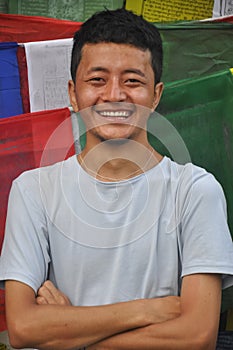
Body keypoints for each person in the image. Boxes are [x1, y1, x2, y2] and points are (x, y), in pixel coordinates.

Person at [1, 8, 233, 350]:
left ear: (155, 95)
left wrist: (68, 337)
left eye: (133, 81)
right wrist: (150, 310)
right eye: (97, 80)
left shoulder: (195, 190)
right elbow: (23, 328)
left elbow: (197, 336)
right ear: (73, 93)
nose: (114, 95)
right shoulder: (32, 190)